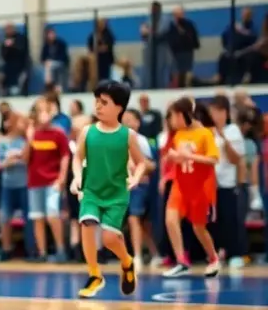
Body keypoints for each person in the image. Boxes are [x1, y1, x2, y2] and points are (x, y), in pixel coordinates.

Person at [71, 81, 148, 298]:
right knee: (86, 224)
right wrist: (77, 177)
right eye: (97, 101)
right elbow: (77, 159)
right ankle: (95, 274)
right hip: (92, 190)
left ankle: (127, 261)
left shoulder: (128, 135)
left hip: (116, 194)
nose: (98, 106)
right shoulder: (87, 132)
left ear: (119, 107)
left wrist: (136, 178)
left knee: (109, 239)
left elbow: (141, 162)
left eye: (104, 102)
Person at [161, 98, 221, 277]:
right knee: (170, 219)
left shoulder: (205, 134)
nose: (171, 121)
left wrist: (190, 157)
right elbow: (174, 158)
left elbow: (213, 159)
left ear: (181, 115)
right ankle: (181, 261)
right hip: (181, 184)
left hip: (200, 186)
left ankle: (214, 258)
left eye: (172, 116)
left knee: (198, 227)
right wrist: (173, 157)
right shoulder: (178, 135)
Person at [24, 101, 70, 262]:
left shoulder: (58, 133)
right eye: (40, 111)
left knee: (52, 214)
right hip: (34, 182)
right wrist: (29, 140)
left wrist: (62, 177)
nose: (43, 114)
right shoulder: (32, 133)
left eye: (46, 111)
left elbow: (65, 155)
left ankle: (61, 250)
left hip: (52, 181)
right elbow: (25, 158)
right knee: (37, 217)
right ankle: (42, 252)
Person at [207, 95, 246, 269]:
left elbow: (236, 159)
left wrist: (224, 138)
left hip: (227, 182)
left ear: (226, 112)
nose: (216, 115)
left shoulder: (233, 131)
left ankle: (235, 253)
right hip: (210, 183)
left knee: (230, 219)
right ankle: (218, 252)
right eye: (213, 111)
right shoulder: (207, 132)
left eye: (220, 111)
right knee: (214, 221)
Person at [121, 109, 158, 267]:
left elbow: (150, 165)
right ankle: (155, 254)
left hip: (139, 185)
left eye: (131, 119)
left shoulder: (141, 140)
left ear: (138, 122)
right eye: (124, 119)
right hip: (123, 186)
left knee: (135, 218)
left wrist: (137, 169)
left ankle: (136, 256)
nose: (127, 122)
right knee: (140, 223)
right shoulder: (119, 139)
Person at [0, 112, 29, 259]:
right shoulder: (2, 142)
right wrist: (8, 161)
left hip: (24, 184)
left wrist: (17, 158)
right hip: (7, 185)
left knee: (28, 217)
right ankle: (6, 248)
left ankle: (31, 248)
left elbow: (29, 160)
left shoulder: (26, 141)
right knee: (5, 217)